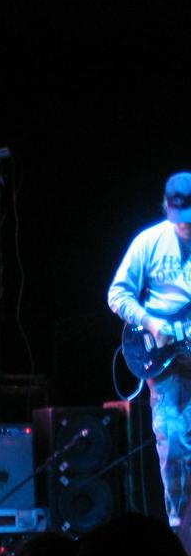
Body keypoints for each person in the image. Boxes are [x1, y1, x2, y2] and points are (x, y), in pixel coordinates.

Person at [108, 171, 191, 528]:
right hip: (166, 362)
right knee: (173, 444)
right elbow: (117, 294)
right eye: (180, 219)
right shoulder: (149, 242)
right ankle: (181, 530)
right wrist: (152, 323)